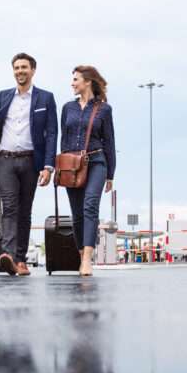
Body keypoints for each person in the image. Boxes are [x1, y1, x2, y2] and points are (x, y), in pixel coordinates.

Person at [0, 53, 58, 276]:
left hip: (31, 161)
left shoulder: (45, 98)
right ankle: (8, 254)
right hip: (5, 160)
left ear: (33, 70)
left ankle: (20, 260)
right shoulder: (3, 97)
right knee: (9, 206)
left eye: (24, 67)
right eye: (16, 68)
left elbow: (51, 134)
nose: (20, 71)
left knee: (25, 211)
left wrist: (49, 166)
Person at [59, 66, 116, 276]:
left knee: (90, 206)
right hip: (72, 165)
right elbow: (63, 140)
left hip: (97, 162)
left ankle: (86, 259)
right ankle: (81, 251)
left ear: (88, 82)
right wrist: (62, 167)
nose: (72, 83)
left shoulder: (104, 109)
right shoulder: (67, 108)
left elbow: (109, 141)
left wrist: (111, 174)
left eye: (75, 79)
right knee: (77, 214)